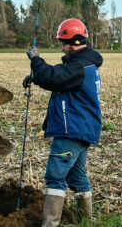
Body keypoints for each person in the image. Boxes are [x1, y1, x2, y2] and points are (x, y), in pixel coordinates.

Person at [22, 18, 103, 226]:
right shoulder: (85, 63)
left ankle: (50, 223)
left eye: (64, 42)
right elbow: (58, 79)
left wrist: (35, 60)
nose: (62, 47)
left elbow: (53, 77)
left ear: (76, 42)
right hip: (82, 129)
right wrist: (35, 77)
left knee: (55, 176)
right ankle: (85, 221)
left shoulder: (79, 66)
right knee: (76, 178)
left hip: (72, 131)